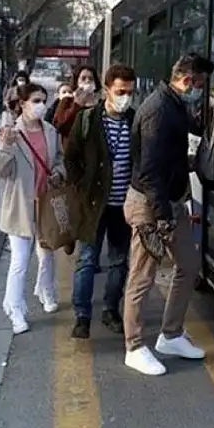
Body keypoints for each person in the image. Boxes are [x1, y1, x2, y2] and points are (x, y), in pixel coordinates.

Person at [123, 53, 214, 376]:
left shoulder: (174, 104)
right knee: (142, 277)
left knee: (188, 265)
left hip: (169, 202)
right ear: (188, 81)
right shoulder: (158, 112)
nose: (201, 91)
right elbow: (149, 173)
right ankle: (133, 346)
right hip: (151, 205)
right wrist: (161, 217)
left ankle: (171, 334)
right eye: (200, 85)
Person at [65, 64, 137, 339]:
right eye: (121, 91)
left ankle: (110, 310)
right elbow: (70, 157)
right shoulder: (87, 120)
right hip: (93, 203)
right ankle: (82, 316)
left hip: (124, 205)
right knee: (87, 259)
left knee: (119, 261)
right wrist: (81, 186)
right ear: (107, 89)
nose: (125, 97)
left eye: (129, 92)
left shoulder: (134, 119)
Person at [0, 83, 65, 334]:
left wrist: (57, 172)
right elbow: (1, 172)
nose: (41, 105)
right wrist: (6, 146)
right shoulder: (12, 133)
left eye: (43, 100)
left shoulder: (50, 131)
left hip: (45, 204)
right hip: (20, 207)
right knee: (20, 261)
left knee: (47, 255)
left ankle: (46, 290)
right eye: (35, 100)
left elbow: (58, 160)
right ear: (22, 104)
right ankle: (15, 309)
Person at [48, 65, 101, 141]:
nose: (87, 81)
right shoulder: (67, 101)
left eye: (91, 78)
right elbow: (59, 126)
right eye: (83, 78)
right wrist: (76, 105)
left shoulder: (101, 104)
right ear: (76, 81)